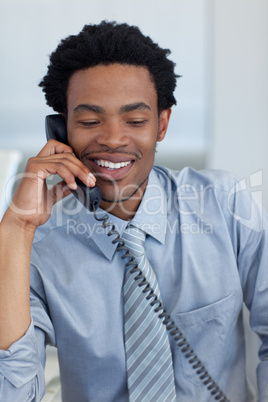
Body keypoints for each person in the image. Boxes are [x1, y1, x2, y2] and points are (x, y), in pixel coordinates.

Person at [0, 20, 267, 402]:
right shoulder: (34, 245)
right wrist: (16, 229)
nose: (112, 139)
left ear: (161, 124)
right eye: (90, 121)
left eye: (136, 120)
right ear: (60, 130)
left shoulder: (226, 204)